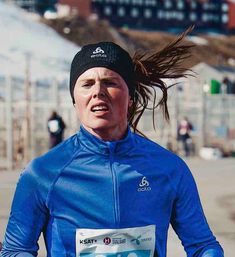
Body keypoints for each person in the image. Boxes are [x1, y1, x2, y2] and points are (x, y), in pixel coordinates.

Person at [1, 30, 224, 257]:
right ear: (74, 99)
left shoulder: (169, 168)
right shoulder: (43, 172)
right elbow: (15, 250)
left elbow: (203, 245)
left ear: (131, 98)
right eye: (87, 84)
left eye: (109, 82)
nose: (98, 92)